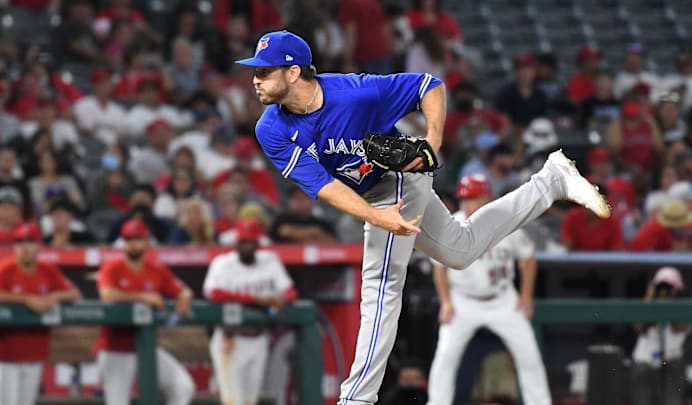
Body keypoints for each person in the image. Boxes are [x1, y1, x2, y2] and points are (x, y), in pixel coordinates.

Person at [236, 30, 608, 405]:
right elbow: (324, 186)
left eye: (264, 72)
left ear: (294, 72)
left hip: (400, 176)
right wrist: (376, 217)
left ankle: (356, 399)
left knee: (381, 281)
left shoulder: (356, 92)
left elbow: (429, 85)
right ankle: (551, 182)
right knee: (460, 250)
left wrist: (432, 140)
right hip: (371, 193)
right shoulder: (271, 128)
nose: (255, 79)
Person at [426, 174, 551, 405]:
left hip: (503, 300)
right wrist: (446, 301)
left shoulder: (504, 222)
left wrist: (525, 296)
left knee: (529, 357)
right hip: (463, 301)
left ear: (486, 197)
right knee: (445, 358)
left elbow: (528, 258)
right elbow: (439, 267)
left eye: (473, 197)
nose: (467, 204)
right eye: (464, 198)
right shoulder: (452, 225)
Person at [95, 218, 196, 405]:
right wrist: (143, 297)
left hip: (146, 346)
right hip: (115, 347)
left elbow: (182, 290)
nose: (133, 244)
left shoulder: (156, 269)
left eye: (138, 239)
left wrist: (184, 296)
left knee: (183, 387)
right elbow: (107, 294)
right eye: (129, 240)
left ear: (147, 241)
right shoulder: (113, 267)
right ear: (123, 243)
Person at [203, 218, 298, 405]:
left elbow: (291, 292)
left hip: (259, 338)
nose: (246, 246)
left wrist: (281, 300)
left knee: (250, 401)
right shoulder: (223, 263)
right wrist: (257, 300)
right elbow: (213, 294)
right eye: (243, 241)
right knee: (233, 401)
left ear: (257, 243)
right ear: (236, 242)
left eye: (250, 242)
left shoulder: (270, 262)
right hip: (229, 339)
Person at [0, 222, 82, 405]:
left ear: (39, 246)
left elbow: (75, 293)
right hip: (5, 354)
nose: (24, 247)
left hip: (35, 351)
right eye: (20, 242)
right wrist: (25, 299)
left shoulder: (47, 271)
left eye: (30, 242)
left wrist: (55, 296)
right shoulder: (6, 269)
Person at [631, 266, 691, 405]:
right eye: (661, 287)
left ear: (677, 289)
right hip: (644, 361)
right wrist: (649, 298)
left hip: (672, 361)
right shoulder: (649, 306)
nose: (664, 291)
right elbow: (637, 327)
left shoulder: (685, 308)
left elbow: (680, 327)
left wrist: (668, 304)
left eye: (669, 287)